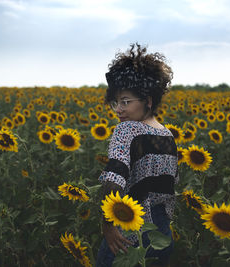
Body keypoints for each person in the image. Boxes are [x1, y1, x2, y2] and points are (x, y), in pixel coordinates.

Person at [96, 43, 179, 267]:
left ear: (148, 100)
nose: (118, 110)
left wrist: (107, 224)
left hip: (128, 233)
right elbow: (170, 190)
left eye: (125, 102)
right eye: (116, 102)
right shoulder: (169, 135)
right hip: (161, 235)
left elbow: (114, 179)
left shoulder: (126, 130)